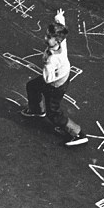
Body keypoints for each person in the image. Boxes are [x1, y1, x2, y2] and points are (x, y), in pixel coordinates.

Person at [20, 9, 87, 146]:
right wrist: (59, 18)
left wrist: (46, 66)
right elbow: (61, 26)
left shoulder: (53, 60)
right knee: (32, 86)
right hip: (62, 76)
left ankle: (77, 133)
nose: (45, 38)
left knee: (54, 113)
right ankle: (37, 110)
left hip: (55, 85)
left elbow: (47, 80)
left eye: (49, 37)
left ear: (56, 40)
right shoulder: (62, 42)